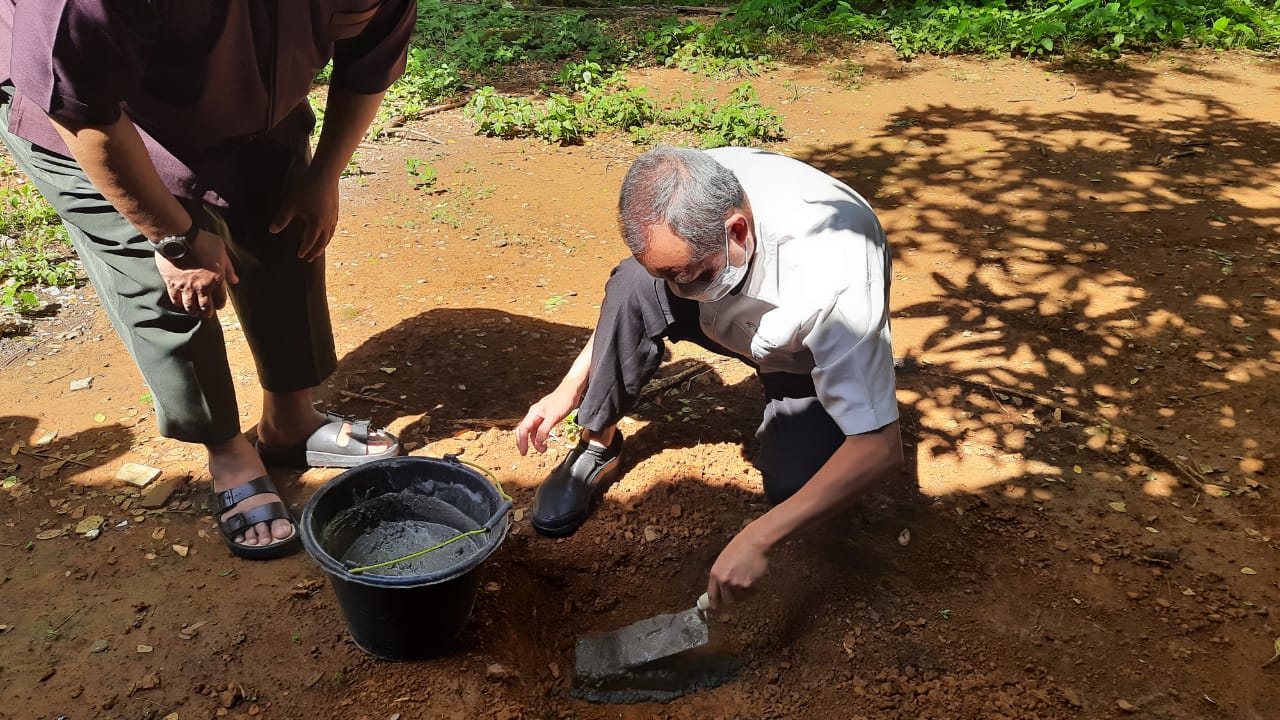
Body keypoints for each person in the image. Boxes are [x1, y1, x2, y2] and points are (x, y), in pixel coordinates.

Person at [0, 2, 416, 559]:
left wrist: (324, 174)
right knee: (162, 282)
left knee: (288, 231)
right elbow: (82, 107)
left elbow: (367, 63)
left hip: (251, 109)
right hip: (91, 121)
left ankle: (289, 424)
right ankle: (226, 450)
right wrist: (172, 237)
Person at [515, 146, 903, 606]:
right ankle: (597, 443)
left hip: (797, 356)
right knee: (632, 284)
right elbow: (634, 298)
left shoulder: (835, 274)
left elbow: (880, 447)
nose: (680, 289)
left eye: (689, 274)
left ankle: (799, 404)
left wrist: (758, 538)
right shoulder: (692, 185)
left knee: (795, 489)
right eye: (668, 276)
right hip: (732, 322)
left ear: (736, 230)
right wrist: (568, 390)